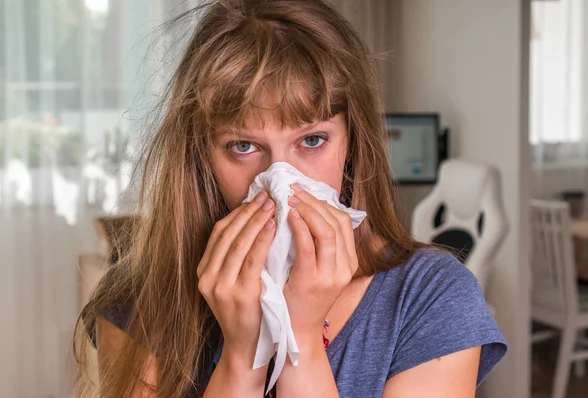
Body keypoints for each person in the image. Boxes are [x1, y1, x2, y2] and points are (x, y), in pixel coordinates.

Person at [73, 0, 507, 397]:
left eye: (313, 140)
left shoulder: (433, 298)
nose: (280, 180)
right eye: (243, 146)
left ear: (351, 142)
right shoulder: (138, 297)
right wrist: (243, 360)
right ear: (202, 155)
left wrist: (300, 338)